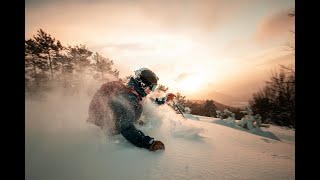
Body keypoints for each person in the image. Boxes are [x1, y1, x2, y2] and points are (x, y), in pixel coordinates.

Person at [87, 68, 175, 152]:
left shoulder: (131, 92)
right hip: (101, 134)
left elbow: (149, 103)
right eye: (151, 88)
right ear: (143, 84)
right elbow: (125, 127)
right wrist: (149, 143)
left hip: (109, 124)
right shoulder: (129, 99)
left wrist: (164, 99)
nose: (151, 91)